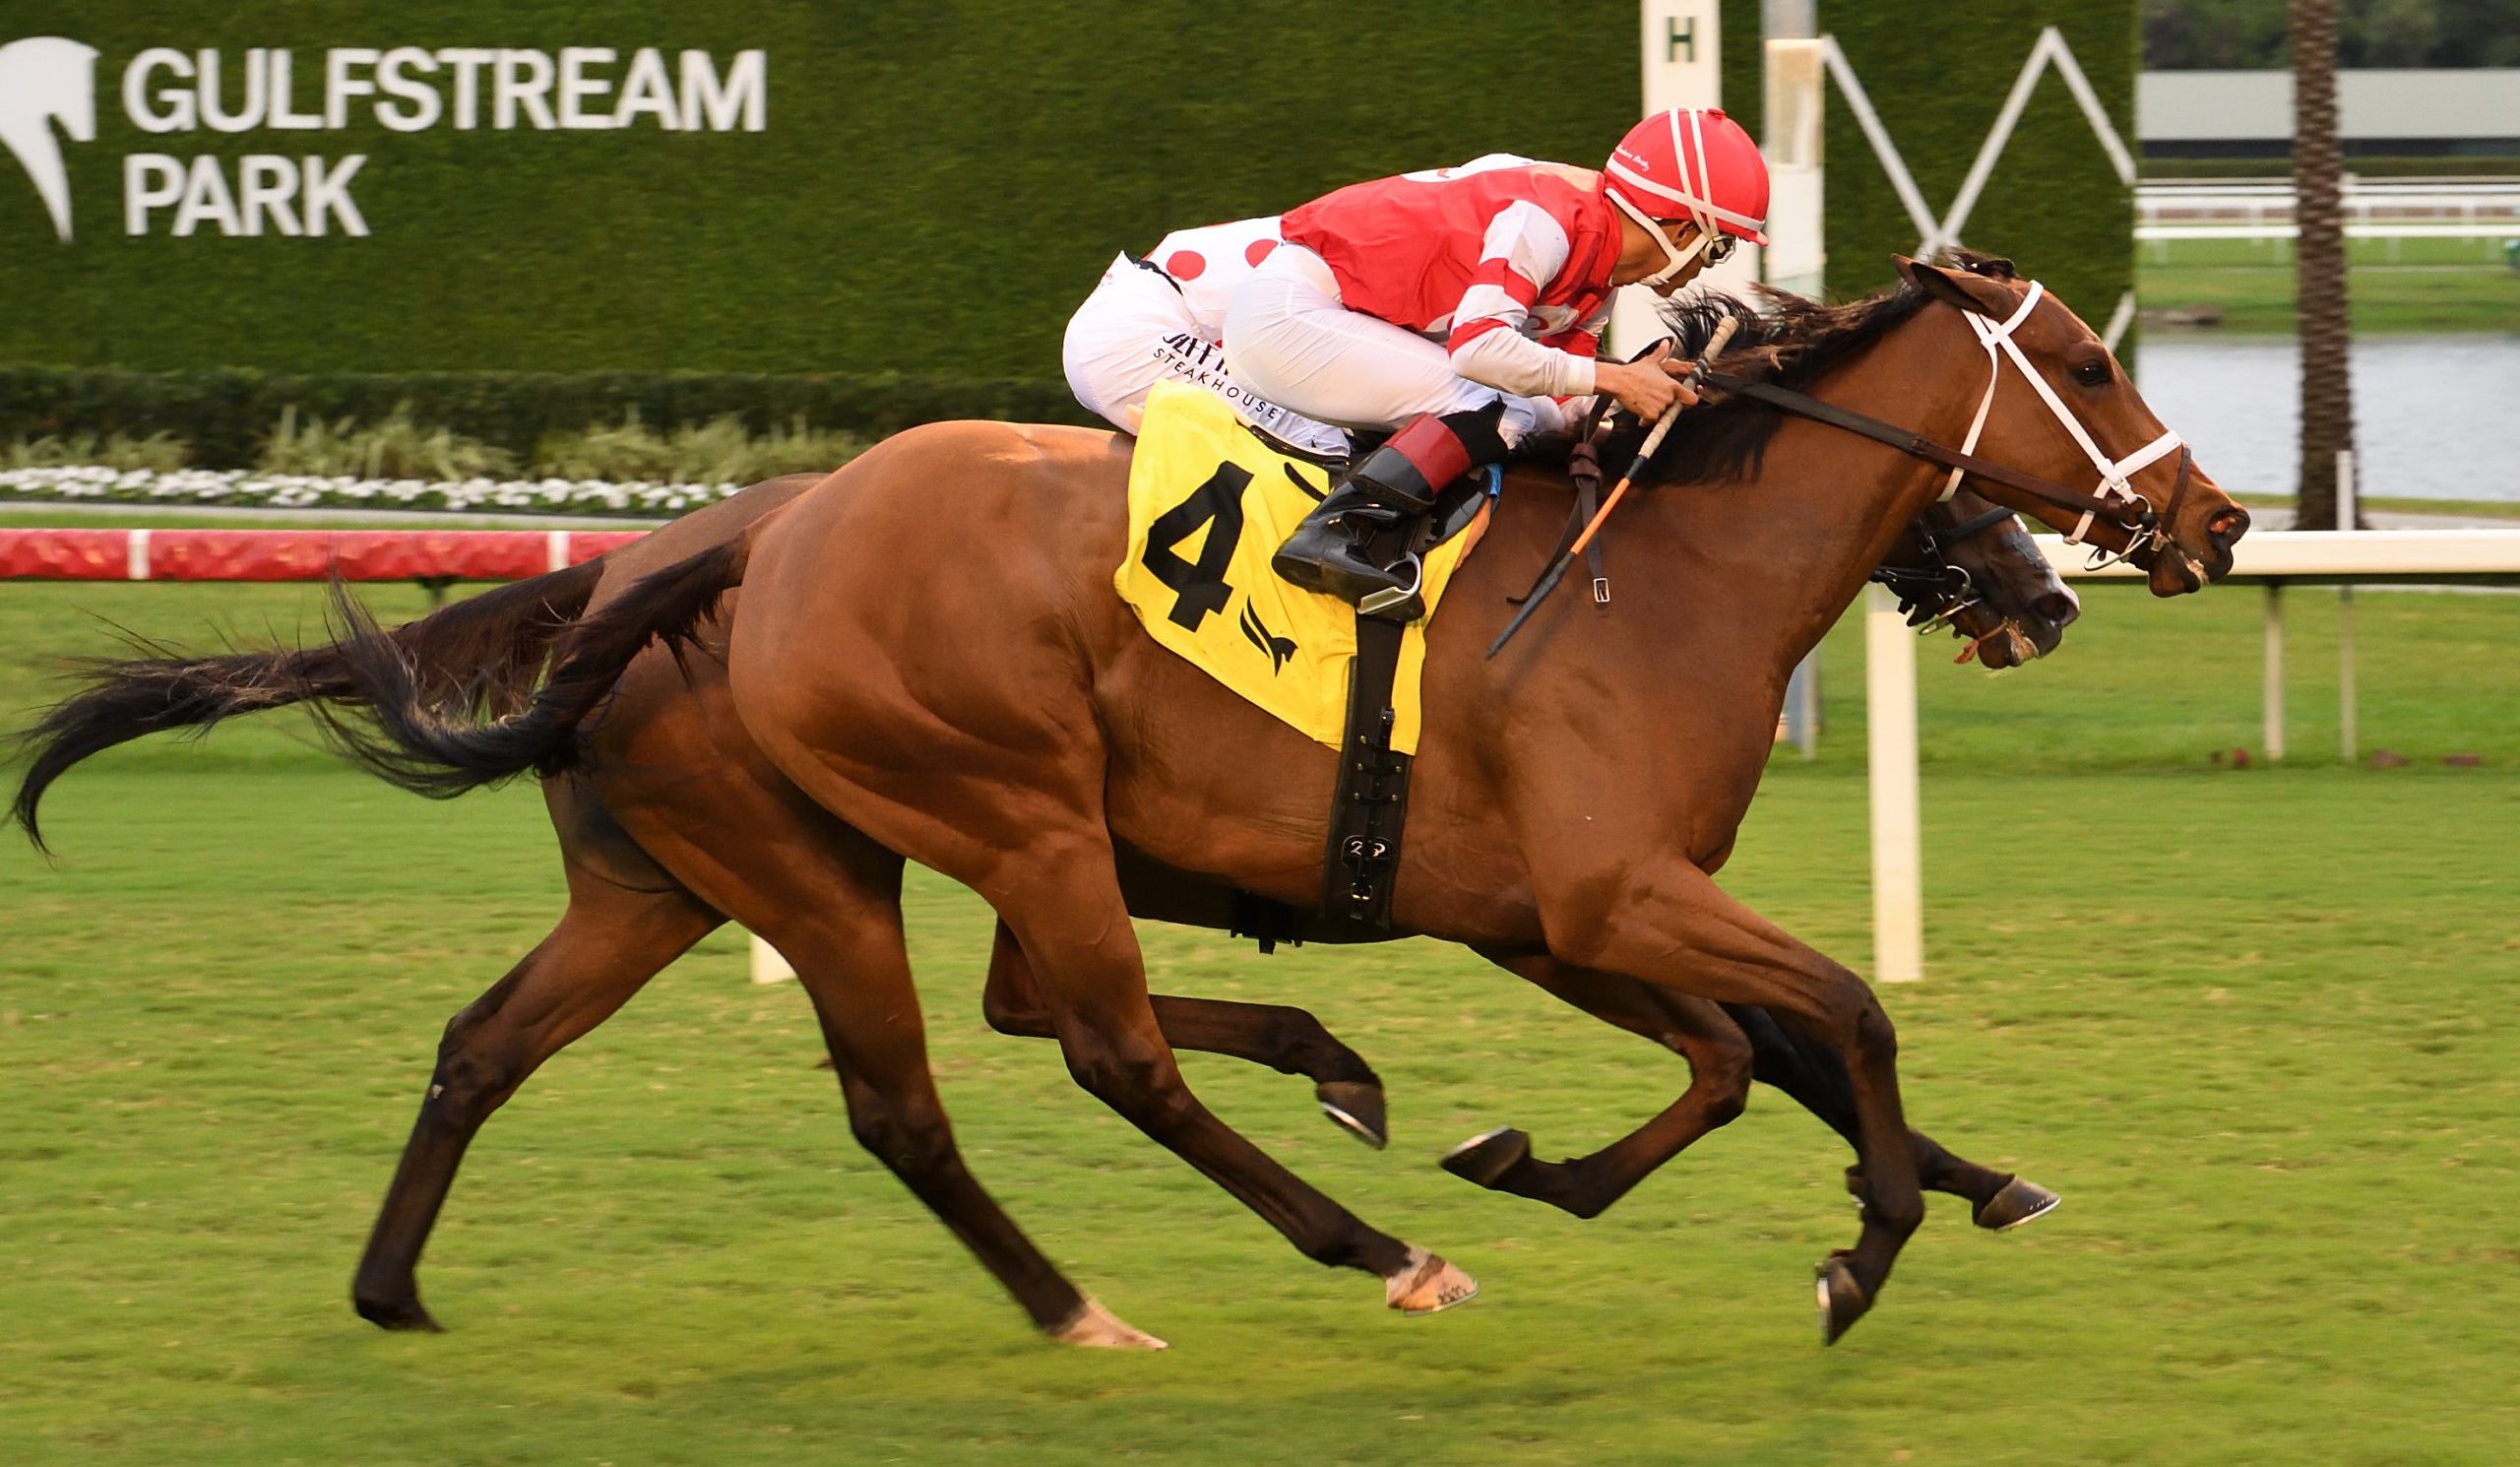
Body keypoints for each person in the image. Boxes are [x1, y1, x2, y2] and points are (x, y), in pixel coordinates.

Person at [1224, 107, 1772, 605]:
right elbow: (1478, 350)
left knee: (1530, 413)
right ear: (1682, 229)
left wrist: (1633, 401)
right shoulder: (1548, 223)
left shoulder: (1598, 275)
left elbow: (1561, 395)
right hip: (1291, 314)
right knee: (1498, 407)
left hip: (1333, 318)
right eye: (1719, 246)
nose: (1710, 265)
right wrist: (1614, 379)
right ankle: (1336, 530)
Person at [1062, 216, 1350, 458]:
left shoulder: (1323, 227)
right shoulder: (1338, 246)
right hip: (1130, 336)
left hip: (1117, 331)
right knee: (1318, 437)